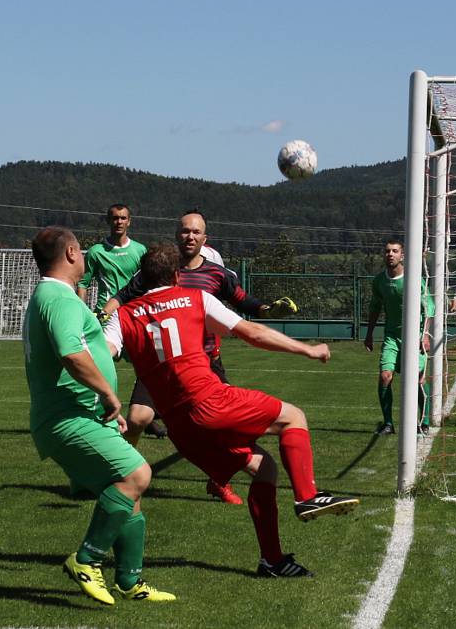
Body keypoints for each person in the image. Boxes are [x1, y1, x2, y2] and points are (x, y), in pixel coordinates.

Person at [103, 242, 359, 577]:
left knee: (264, 469)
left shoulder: (123, 316)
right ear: (178, 274)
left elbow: (101, 356)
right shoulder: (196, 298)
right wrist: (308, 350)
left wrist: (103, 396)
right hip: (210, 404)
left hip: (182, 430)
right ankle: (308, 496)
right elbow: (252, 333)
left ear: (141, 278)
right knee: (293, 416)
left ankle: (273, 561)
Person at [101, 210, 298, 504]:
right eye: (184, 231)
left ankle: (218, 481)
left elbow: (244, 301)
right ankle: (119, 472)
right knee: (138, 418)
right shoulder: (158, 269)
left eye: (195, 232)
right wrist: (103, 313)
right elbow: (123, 296)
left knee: (230, 430)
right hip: (163, 363)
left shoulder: (216, 273)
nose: (189, 237)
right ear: (177, 235)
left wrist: (268, 311)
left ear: (205, 238)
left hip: (206, 364)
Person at [23, 226, 174, 606]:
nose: (87, 256)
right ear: (72, 253)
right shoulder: (58, 298)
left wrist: (104, 410)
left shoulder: (53, 296)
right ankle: (86, 559)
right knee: (137, 475)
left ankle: (129, 580)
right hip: (65, 418)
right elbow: (71, 354)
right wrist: (108, 393)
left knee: (130, 491)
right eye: (83, 251)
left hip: (80, 414)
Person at [76, 204, 166, 438]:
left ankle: (147, 415)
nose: (119, 222)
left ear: (130, 222)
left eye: (123, 218)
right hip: (106, 318)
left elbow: (148, 282)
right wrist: (81, 311)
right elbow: (84, 283)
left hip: (135, 317)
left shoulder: (139, 250)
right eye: (114, 218)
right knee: (100, 364)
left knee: (146, 367)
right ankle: (97, 412)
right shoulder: (96, 252)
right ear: (108, 221)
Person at [364, 238, 435, 436]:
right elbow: (375, 308)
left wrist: (425, 335)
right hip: (392, 336)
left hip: (415, 337)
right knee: (385, 376)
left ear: (402, 255)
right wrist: (369, 334)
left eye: (395, 251)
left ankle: (425, 421)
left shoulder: (413, 279)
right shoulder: (379, 281)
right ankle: (388, 424)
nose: (390, 254)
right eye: (387, 251)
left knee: (418, 380)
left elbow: (429, 307)